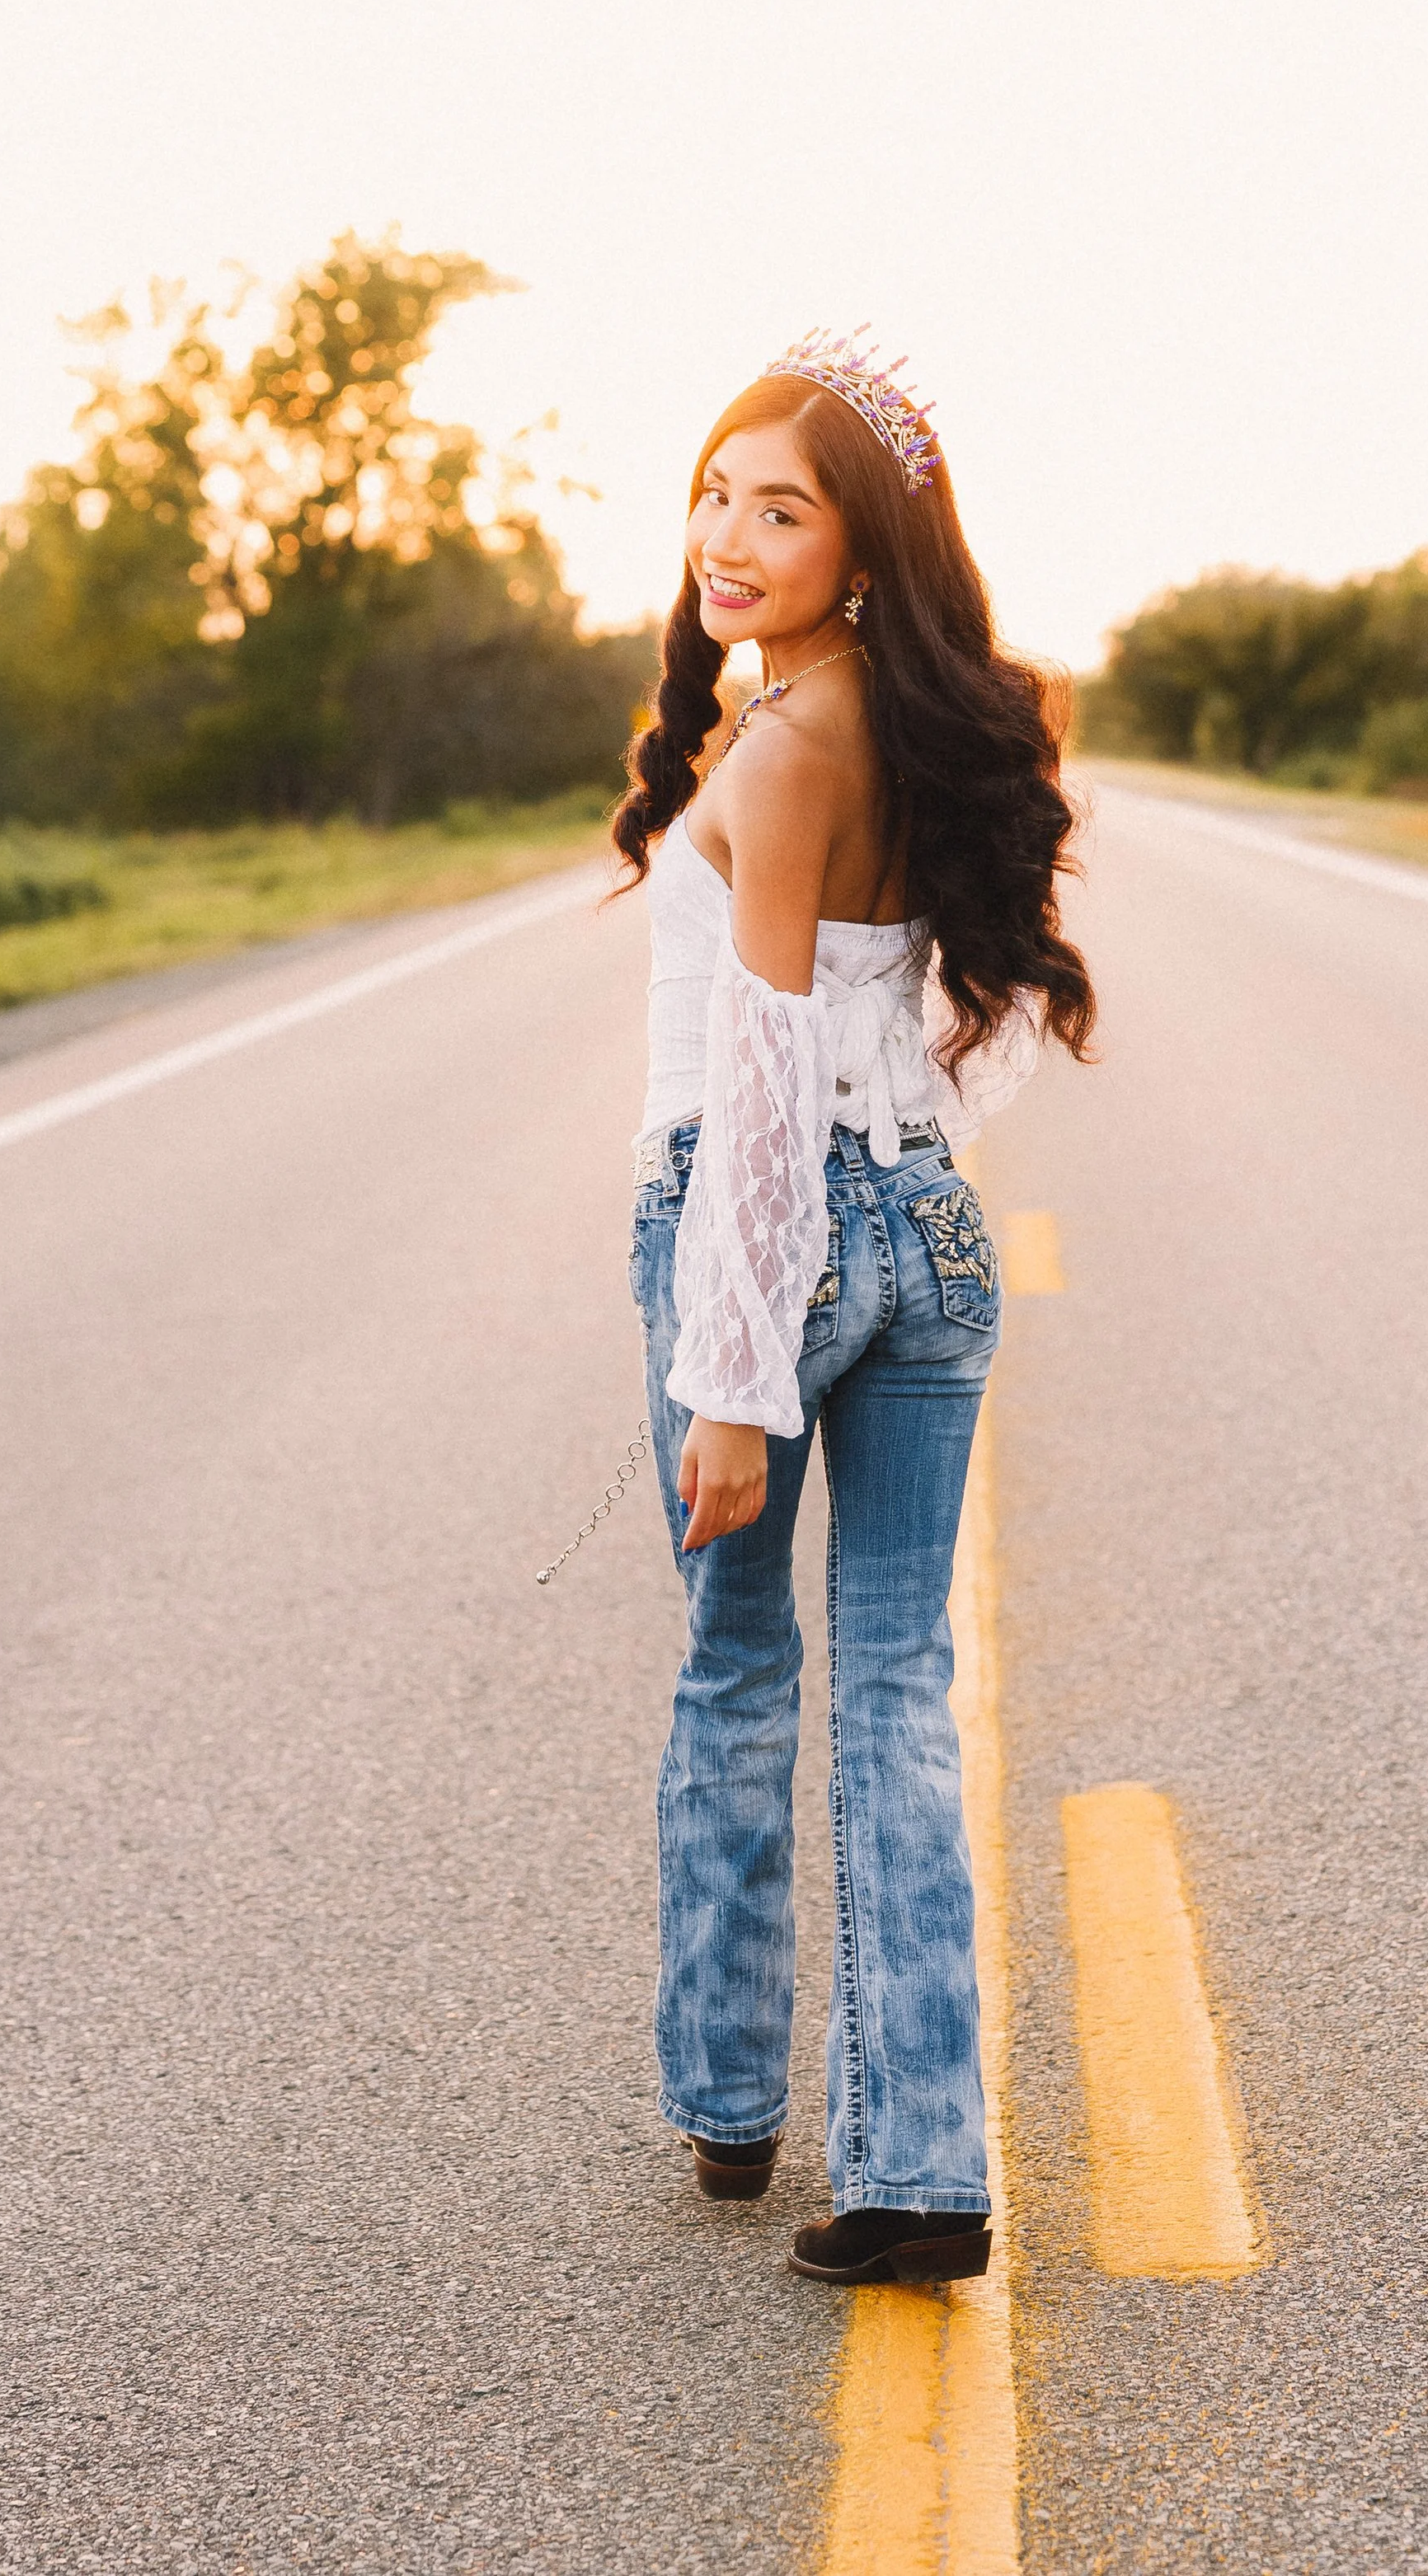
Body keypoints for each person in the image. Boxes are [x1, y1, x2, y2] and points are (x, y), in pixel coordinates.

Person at [612, 331, 1095, 2285]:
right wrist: (908, 1183)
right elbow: (952, 1028)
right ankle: (918, 2171)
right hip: (928, 1236)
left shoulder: (786, 747)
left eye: (779, 509)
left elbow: (754, 1095)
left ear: (858, 551)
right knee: (896, 1686)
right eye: (713, 493)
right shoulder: (905, 732)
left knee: (740, 1665)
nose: (726, 536)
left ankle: (731, 2108)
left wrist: (732, 1377)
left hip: (771, 1245)